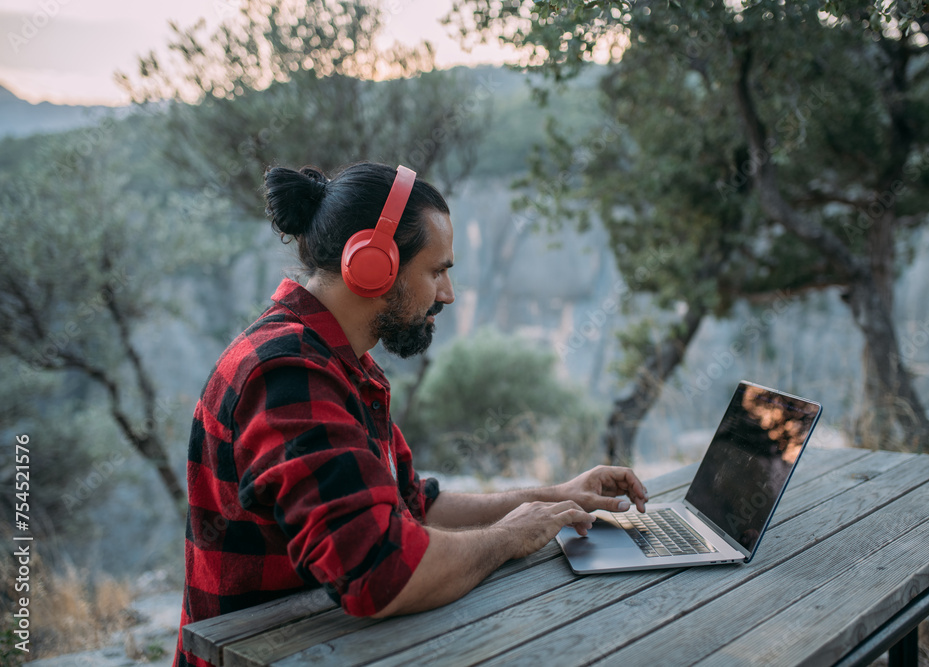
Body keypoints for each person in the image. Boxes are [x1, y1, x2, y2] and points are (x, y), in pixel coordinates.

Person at [173, 162, 648, 667]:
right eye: (437, 270)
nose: (448, 294)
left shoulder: (339, 363)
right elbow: (382, 574)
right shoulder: (287, 374)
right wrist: (509, 537)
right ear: (372, 264)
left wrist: (555, 497)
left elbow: (412, 503)